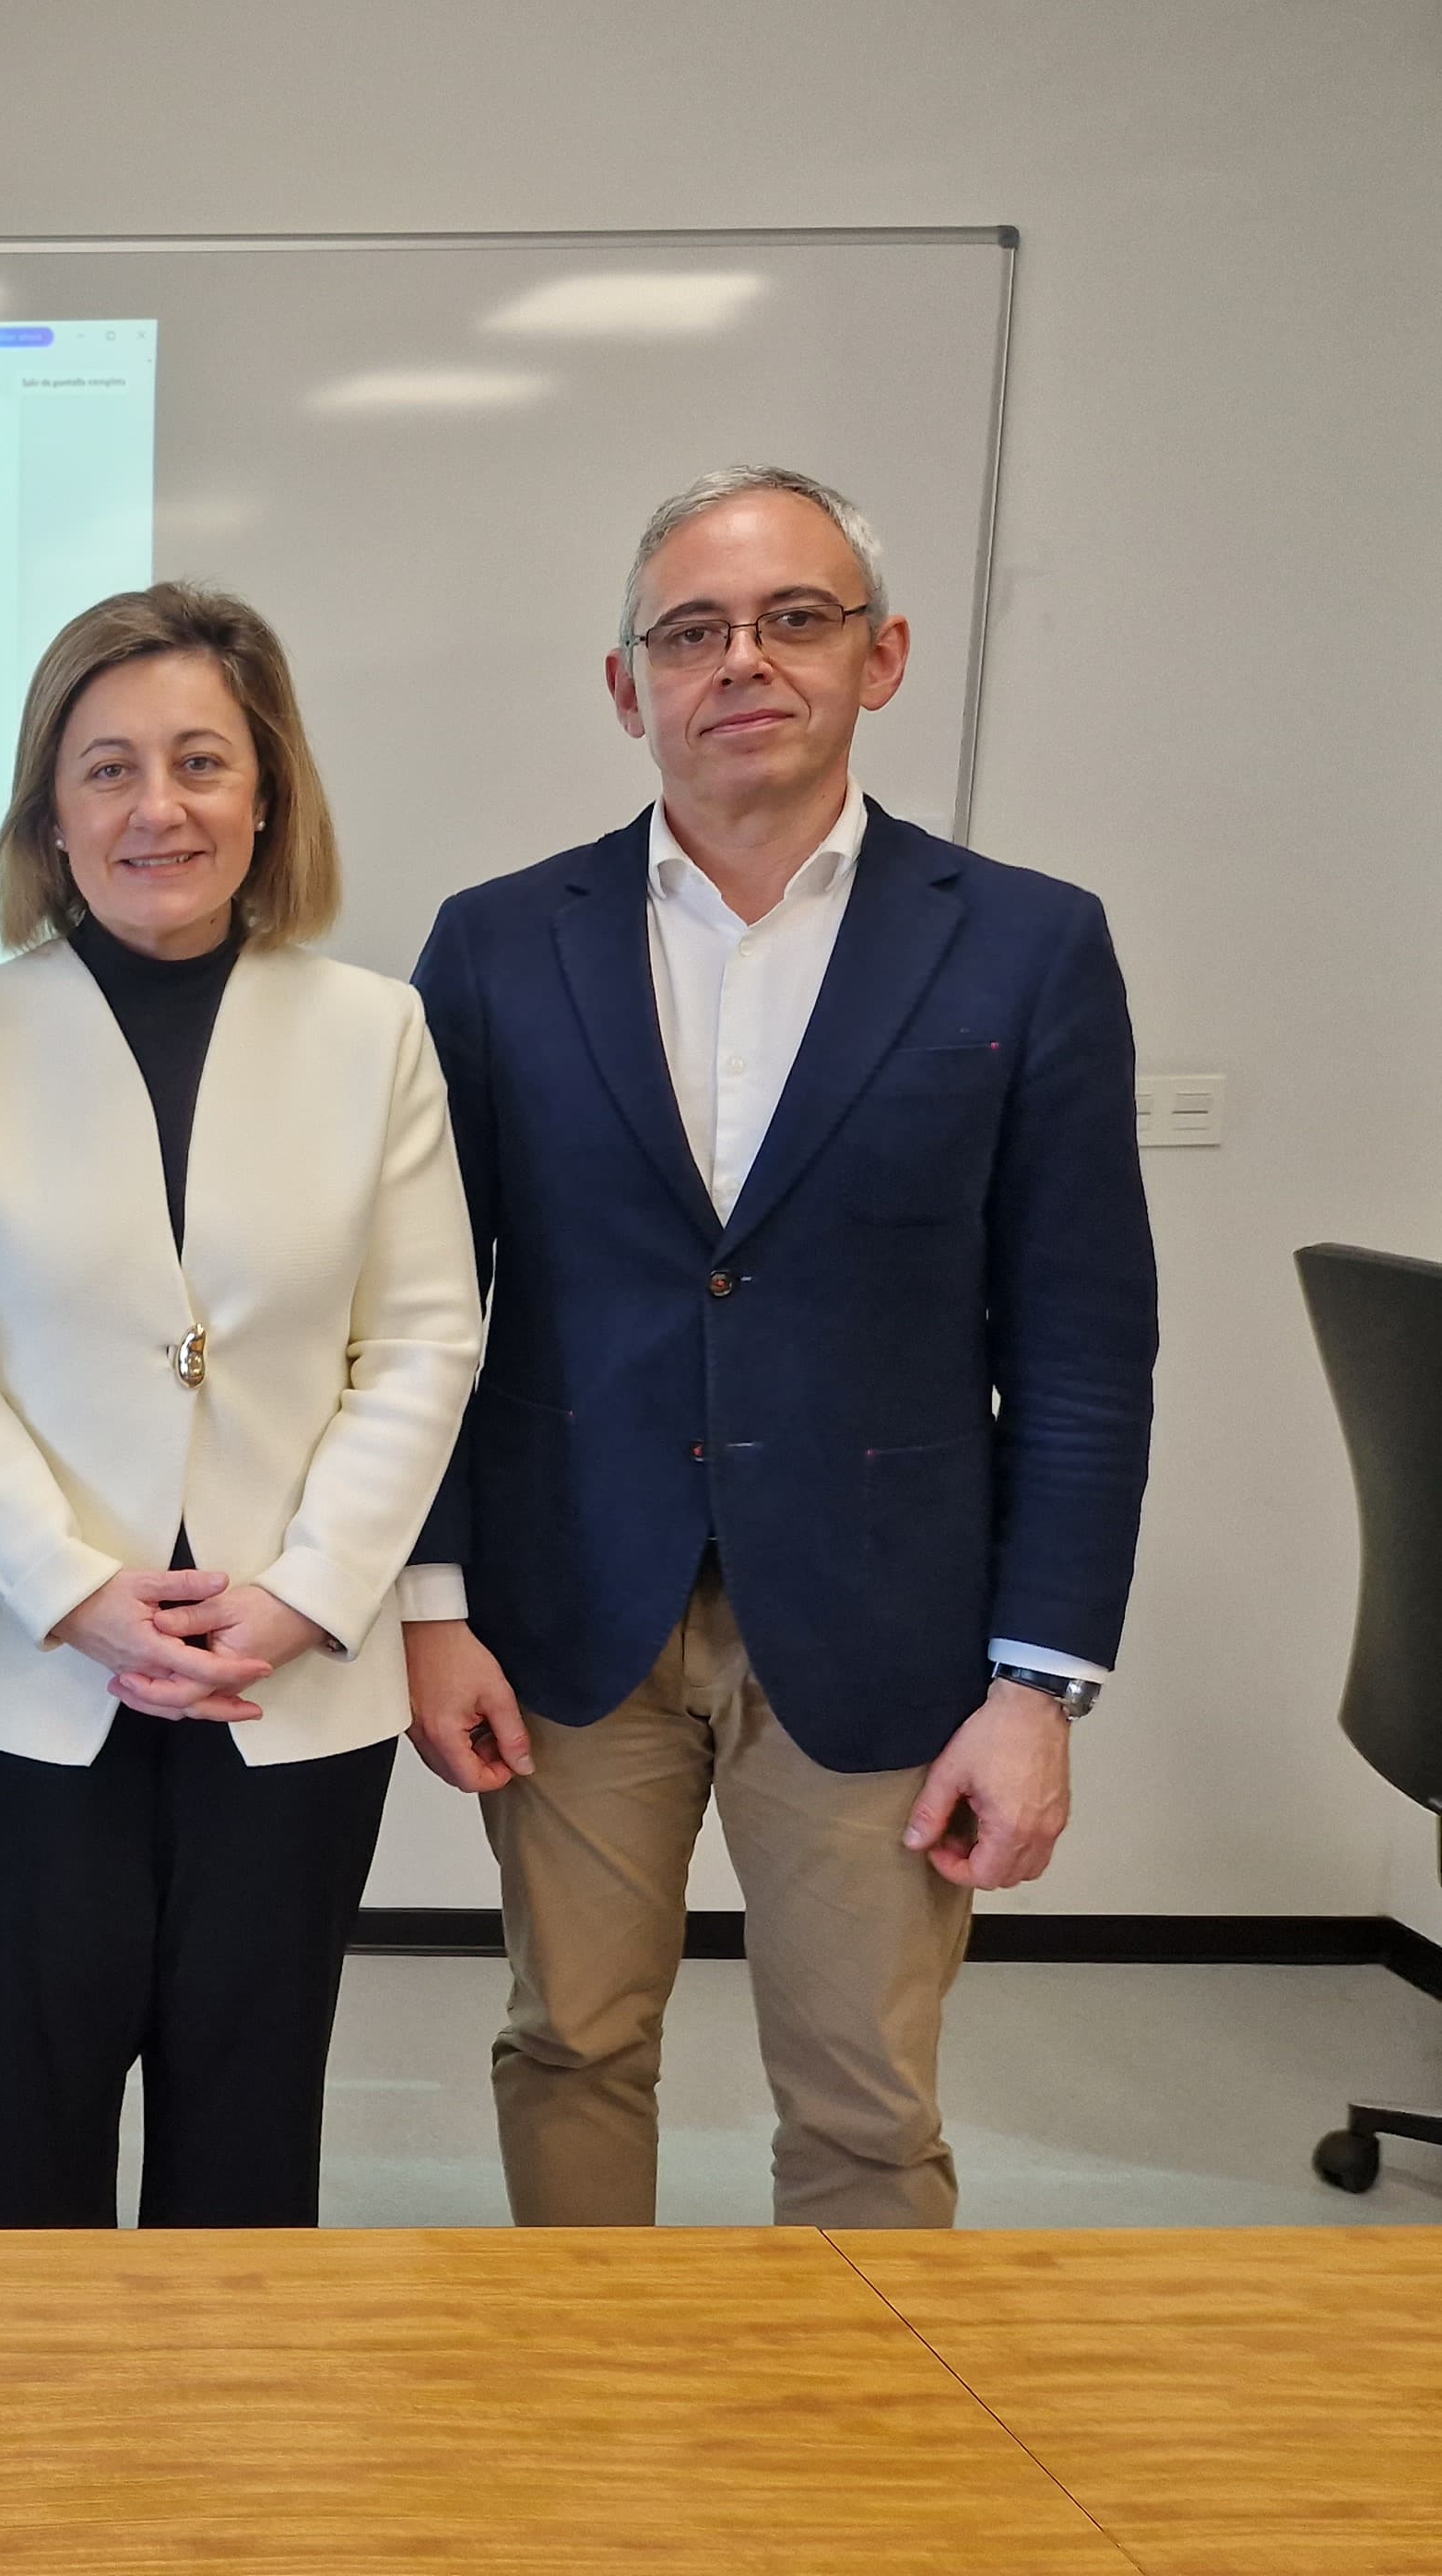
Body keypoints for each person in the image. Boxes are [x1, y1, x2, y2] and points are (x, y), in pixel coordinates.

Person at [401, 465, 1156, 2229]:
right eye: (691, 632)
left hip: (887, 1620)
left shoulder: (1027, 945)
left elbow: (1082, 1346)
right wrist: (430, 1605)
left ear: (881, 656)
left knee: (867, 2104)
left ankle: (860, 2409)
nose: (741, 660)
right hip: (571, 1610)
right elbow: (422, 1308)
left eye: (794, 618)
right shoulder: (498, 945)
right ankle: (590, 2378)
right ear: (628, 687)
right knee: (571, 2043)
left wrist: (1037, 1689)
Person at [0, 583, 480, 2230]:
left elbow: (422, 1341)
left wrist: (308, 1592)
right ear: (50, 818)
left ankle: (231, 2410)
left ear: (267, 793)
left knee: (249, 2141)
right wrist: (74, 1590)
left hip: (290, 1680)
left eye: (202, 762)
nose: (160, 808)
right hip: (20, 1676)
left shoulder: (375, 1031)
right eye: (110, 769)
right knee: (27, 2138)